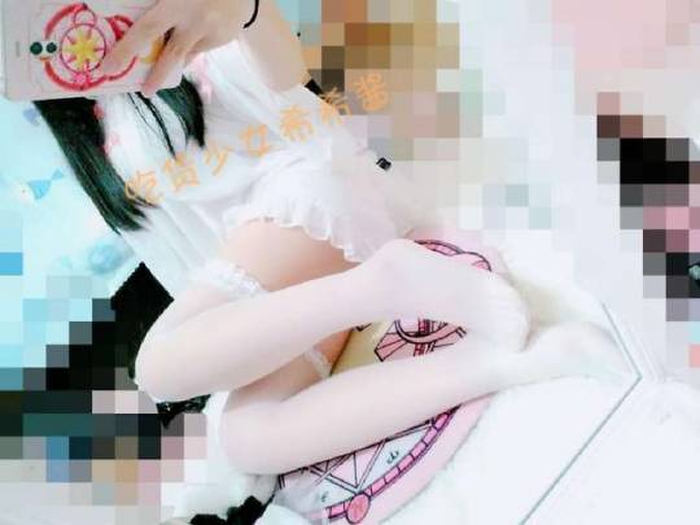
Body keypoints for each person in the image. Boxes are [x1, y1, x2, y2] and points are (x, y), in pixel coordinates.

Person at [32, 0, 626, 477]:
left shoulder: (178, 16)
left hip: (306, 192)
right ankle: (518, 361)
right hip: (280, 268)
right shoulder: (81, 114)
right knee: (249, 437)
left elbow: (287, 73)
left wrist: (242, 10)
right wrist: (232, 339)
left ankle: (387, 284)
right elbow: (172, 238)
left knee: (159, 367)